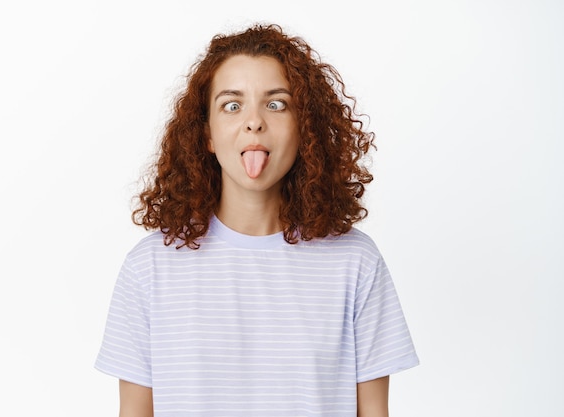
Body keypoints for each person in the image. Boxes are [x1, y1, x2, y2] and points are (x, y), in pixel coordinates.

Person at [95, 23, 418, 417]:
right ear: (207, 135)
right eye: (232, 105)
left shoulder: (356, 262)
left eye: (276, 104)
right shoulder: (149, 268)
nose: (254, 122)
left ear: (305, 129)